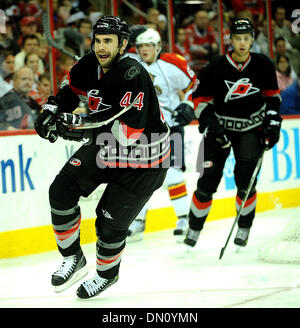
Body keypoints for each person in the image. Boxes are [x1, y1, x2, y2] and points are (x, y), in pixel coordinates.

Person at [34, 16, 170, 299]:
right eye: (97, 41)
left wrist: (76, 124)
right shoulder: (89, 64)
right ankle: (73, 258)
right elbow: (69, 91)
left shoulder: (133, 74)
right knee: (61, 191)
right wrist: (51, 110)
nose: (101, 47)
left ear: (122, 44)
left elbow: (127, 134)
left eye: (108, 41)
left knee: (107, 226)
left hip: (145, 160)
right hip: (107, 147)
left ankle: (107, 275)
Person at [183, 18, 282, 249]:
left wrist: (273, 120)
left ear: (252, 39)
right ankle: (194, 228)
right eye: (238, 38)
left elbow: (272, 97)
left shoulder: (263, 64)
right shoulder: (215, 66)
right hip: (219, 129)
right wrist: (209, 123)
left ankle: (244, 226)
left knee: (246, 181)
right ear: (231, 39)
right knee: (207, 182)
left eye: (246, 38)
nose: (242, 43)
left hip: (251, 129)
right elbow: (199, 98)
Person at [127, 28, 196, 241]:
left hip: (171, 127)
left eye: (148, 45)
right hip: (142, 129)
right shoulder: (129, 62)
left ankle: (183, 218)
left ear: (158, 46)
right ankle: (138, 221)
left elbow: (196, 85)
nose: (144, 50)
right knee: (140, 176)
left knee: (173, 173)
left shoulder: (172, 63)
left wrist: (187, 104)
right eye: (140, 46)